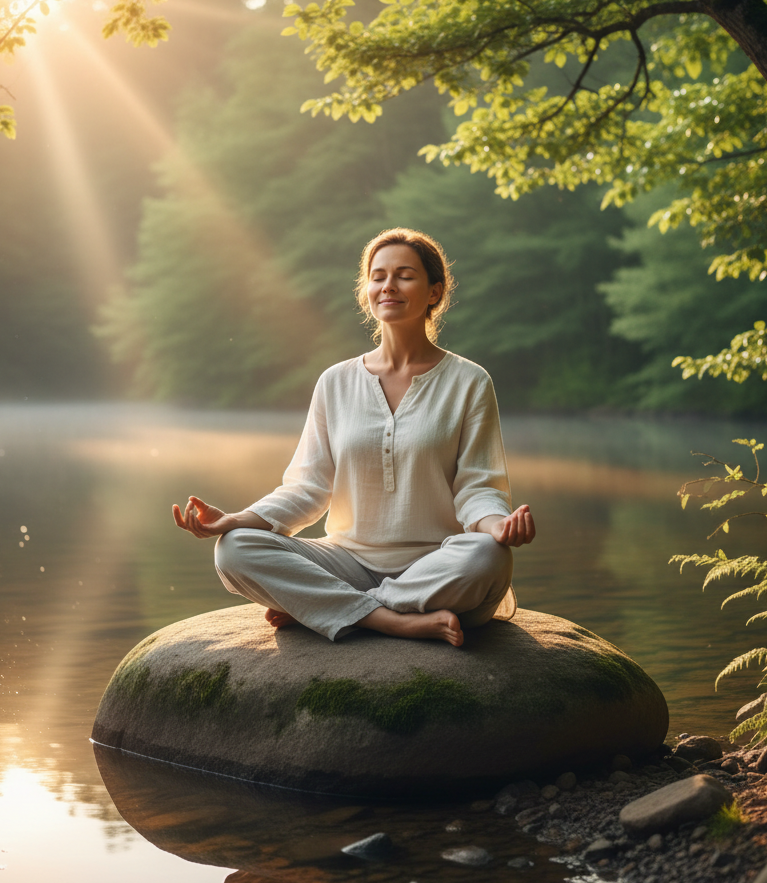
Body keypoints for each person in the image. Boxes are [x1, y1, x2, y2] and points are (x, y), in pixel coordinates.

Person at [172, 228, 535, 647]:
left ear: (434, 292)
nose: (389, 286)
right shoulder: (335, 382)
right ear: (366, 291)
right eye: (378, 276)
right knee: (233, 549)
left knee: (488, 557)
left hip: (437, 565)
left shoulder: (469, 381)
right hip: (345, 561)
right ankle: (392, 620)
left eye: (405, 275)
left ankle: (332, 609)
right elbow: (306, 488)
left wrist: (499, 526)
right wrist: (235, 520)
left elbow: (478, 488)